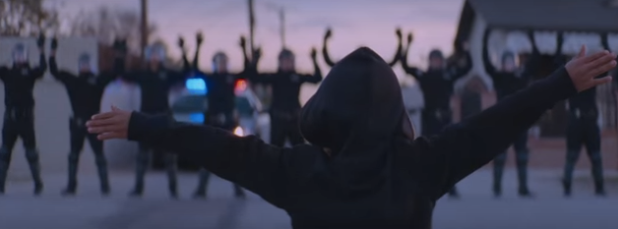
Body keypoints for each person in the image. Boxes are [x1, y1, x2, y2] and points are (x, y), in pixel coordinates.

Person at [87, 46, 615, 228]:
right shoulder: (421, 166)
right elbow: (495, 124)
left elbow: (212, 145)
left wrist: (139, 124)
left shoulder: (294, 171)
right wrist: (561, 81)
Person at [400, 32, 472, 198]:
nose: (437, 62)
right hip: (429, 119)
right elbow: (405, 66)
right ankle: (425, 186)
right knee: (428, 153)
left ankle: (451, 187)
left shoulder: (448, 76)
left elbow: (467, 67)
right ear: (430, 61)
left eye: (439, 59)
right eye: (434, 59)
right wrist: (407, 44)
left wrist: (466, 49)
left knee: (448, 154)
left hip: (445, 119)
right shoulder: (424, 77)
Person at [120, 37, 191, 198]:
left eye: (157, 55)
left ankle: (173, 189)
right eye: (151, 55)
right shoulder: (143, 75)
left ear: (161, 57)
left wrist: (184, 52)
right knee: (142, 156)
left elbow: (186, 73)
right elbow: (124, 75)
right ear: (147, 57)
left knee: (169, 157)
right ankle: (138, 188)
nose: (154, 58)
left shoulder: (166, 74)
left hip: (163, 119)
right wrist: (122, 55)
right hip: (145, 119)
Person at [49, 37, 120, 196]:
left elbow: (115, 74)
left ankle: (105, 186)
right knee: (73, 156)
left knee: (99, 156)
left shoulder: (97, 80)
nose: (84, 66)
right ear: (79, 65)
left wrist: (118, 55)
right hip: (77, 124)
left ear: (91, 65)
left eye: (87, 63)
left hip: (94, 123)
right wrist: (52, 53)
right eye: (82, 63)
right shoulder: (72, 80)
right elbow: (54, 72)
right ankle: (71, 186)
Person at [189, 33, 248, 199]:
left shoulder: (231, 78)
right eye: (219, 61)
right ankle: (201, 188)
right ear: (214, 64)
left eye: (224, 61)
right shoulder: (210, 78)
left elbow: (248, 71)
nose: (222, 64)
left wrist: (244, 49)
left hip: (229, 122)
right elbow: (194, 69)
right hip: (212, 122)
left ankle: (238, 189)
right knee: (207, 155)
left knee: (234, 156)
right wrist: (198, 46)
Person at [482, 29, 540, 198]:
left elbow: (535, 61)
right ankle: (496, 188)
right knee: (499, 157)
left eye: (511, 61)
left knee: (522, 156)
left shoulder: (521, 76)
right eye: (506, 61)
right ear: (502, 63)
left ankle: (523, 188)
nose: (509, 64)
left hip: (520, 122)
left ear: (514, 63)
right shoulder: (498, 77)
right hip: (502, 122)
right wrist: (485, 39)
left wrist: (532, 39)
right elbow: (486, 63)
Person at [560, 35, 609, 197]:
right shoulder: (569, 78)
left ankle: (600, 187)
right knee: (571, 157)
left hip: (590, 120)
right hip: (575, 121)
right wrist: (560, 43)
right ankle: (566, 186)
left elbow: (607, 67)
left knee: (596, 157)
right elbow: (557, 67)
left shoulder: (593, 75)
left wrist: (605, 44)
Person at [0, 35, 47, 195]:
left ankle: (38, 183)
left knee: (31, 153)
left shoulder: (30, 72)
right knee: (4, 153)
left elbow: (42, 69)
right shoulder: (6, 72)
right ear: (13, 56)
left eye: (23, 54)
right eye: (17, 55)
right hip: (10, 119)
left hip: (26, 120)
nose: (20, 57)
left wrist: (41, 50)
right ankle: (0, 185)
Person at [248, 45, 322, 147]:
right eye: (285, 60)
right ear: (280, 62)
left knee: (299, 150)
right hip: (278, 120)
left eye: (290, 60)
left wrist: (314, 59)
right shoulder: (275, 77)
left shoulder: (297, 76)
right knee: (276, 151)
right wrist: (255, 59)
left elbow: (317, 78)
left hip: (294, 120)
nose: (287, 63)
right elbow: (254, 77)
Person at [322, 27, 402, 67]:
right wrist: (400, 40)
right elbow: (393, 61)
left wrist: (325, 40)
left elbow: (329, 61)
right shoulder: (376, 66)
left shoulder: (348, 66)